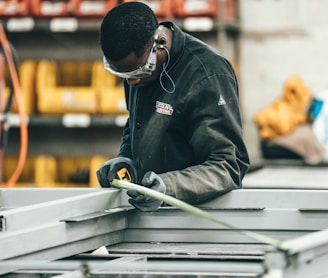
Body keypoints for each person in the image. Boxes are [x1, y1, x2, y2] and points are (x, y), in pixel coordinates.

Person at [97, 2, 250, 212]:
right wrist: (127, 159)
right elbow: (137, 121)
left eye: (139, 72)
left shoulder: (207, 74)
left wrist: (169, 187)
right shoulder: (137, 69)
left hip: (196, 221)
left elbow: (227, 167)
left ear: (158, 44)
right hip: (151, 215)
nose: (132, 83)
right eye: (125, 76)